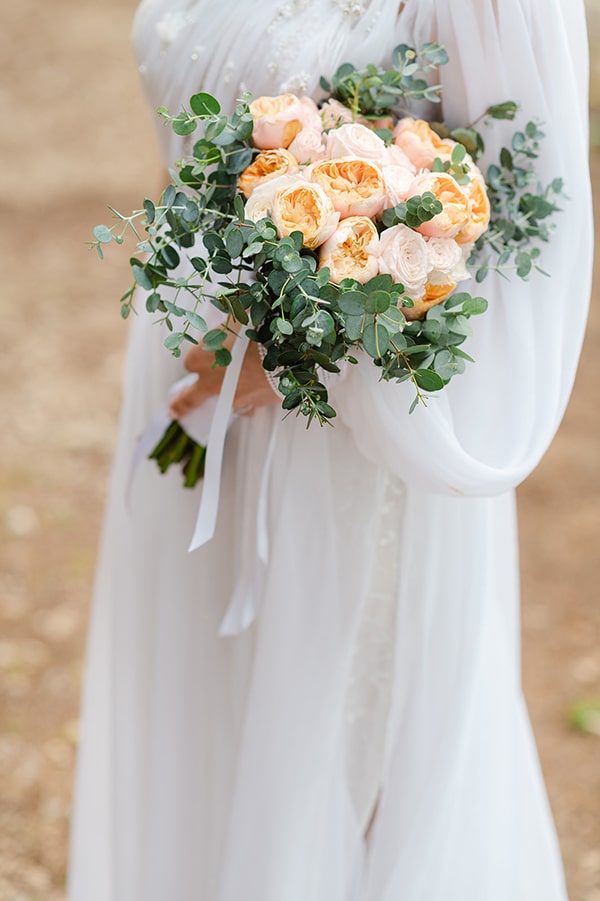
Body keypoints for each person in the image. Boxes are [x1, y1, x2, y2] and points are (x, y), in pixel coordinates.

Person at [68, 1, 592, 899]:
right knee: (202, 726)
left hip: (352, 432)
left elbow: (524, 249)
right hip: (189, 376)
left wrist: (307, 353)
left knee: (346, 769)